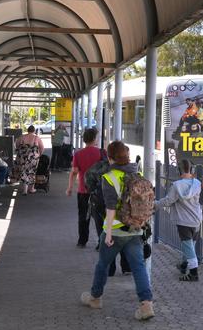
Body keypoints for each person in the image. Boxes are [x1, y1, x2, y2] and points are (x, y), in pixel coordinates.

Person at [80, 141, 154, 321]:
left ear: (110, 157)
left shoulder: (109, 177)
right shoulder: (138, 174)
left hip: (116, 231)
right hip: (135, 230)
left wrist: (109, 235)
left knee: (102, 265)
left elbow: (111, 209)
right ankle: (146, 305)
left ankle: (95, 298)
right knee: (138, 268)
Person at [84, 148, 131, 276]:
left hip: (100, 205)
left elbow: (87, 178)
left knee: (105, 235)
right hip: (123, 209)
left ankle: (110, 268)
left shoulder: (99, 166)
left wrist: (93, 191)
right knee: (123, 235)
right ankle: (126, 266)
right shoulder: (129, 169)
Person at [154, 159, 202, 281]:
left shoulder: (176, 186)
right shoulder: (197, 183)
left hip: (183, 221)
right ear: (191, 170)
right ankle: (184, 265)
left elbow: (168, 201)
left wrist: (155, 204)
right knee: (191, 245)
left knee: (187, 245)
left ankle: (193, 273)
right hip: (196, 219)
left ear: (178, 170)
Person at [67, 128, 102, 248]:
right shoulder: (102, 153)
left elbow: (74, 172)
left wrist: (70, 188)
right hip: (99, 191)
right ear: (94, 138)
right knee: (100, 217)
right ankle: (100, 242)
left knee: (83, 216)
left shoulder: (78, 154)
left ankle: (82, 241)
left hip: (83, 190)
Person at [14, 125, 44, 195]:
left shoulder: (21, 137)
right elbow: (42, 148)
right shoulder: (37, 138)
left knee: (24, 172)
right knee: (32, 172)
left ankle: (25, 190)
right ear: (34, 130)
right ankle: (31, 189)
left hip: (23, 158)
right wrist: (39, 154)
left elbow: (17, 145)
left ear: (27, 130)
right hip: (33, 158)